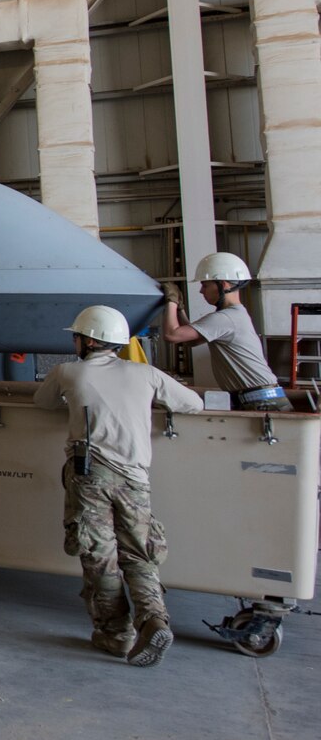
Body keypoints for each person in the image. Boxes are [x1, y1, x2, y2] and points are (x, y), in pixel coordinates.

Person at [35, 305, 203, 667]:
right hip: (134, 478)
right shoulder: (145, 374)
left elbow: (41, 401)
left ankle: (116, 636)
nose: (74, 342)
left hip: (89, 475)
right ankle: (153, 618)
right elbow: (194, 403)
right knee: (139, 553)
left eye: (76, 337)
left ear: (90, 340)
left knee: (100, 557)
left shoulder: (68, 373)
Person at [159, 253, 291, 411]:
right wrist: (180, 309)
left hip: (263, 402)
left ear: (223, 285)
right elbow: (190, 340)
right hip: (259, 399)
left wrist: (171, 302)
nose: (201, 291)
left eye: (205, 285)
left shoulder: (225, 318)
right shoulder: (234, 314)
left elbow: (171, 335)